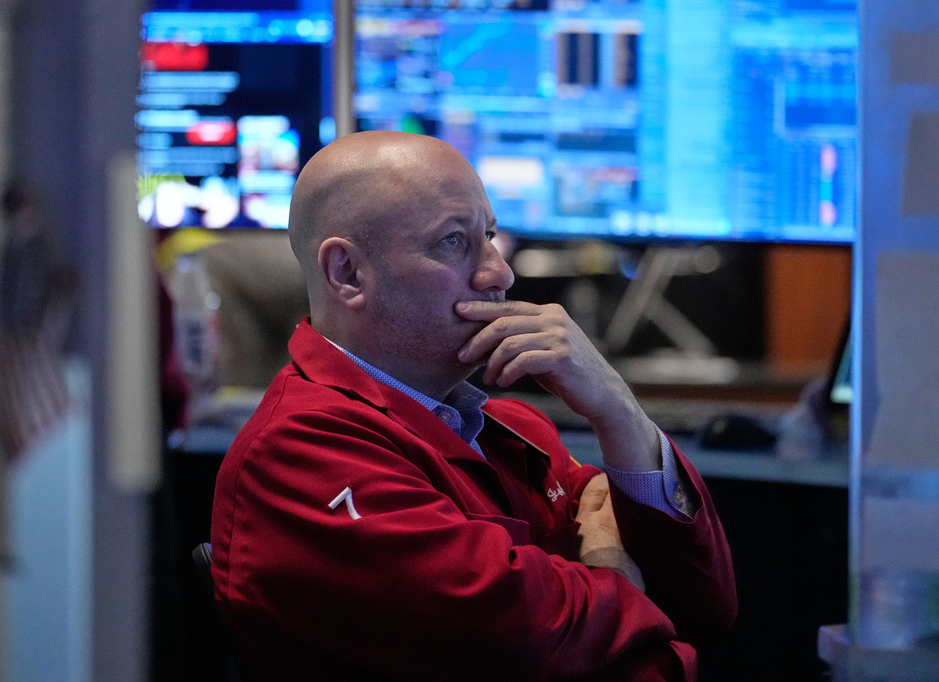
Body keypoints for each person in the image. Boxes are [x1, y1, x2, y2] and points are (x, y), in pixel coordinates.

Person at [210, 131, 737, 681]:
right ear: (347, 273)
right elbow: (526, 643)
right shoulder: (300, 453)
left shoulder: (511, 428)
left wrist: (618, 411)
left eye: (490, 235)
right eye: (454, 242)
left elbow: (704, 605)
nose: (500, 275)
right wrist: (613, 565)